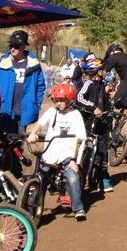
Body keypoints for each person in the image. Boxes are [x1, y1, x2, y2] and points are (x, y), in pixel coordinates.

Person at [28, 82, 88, 221]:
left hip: (67, 154)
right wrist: (33, 133)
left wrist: (74, 160)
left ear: (70, 100)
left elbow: (79, 140)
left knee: (73, 178)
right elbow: (40, 124)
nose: (59, 103)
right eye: (57, 100)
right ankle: (31, 213)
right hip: (50, 154)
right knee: (39, 180)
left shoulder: (75, 115)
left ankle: (78, 208)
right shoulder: (51, 112)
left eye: (62, 100)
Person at [0, 29, 46, 135]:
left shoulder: (34, 65)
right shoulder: (1, 64)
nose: (13, 49)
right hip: (5, 110)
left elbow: (40, 86)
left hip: (24, 110)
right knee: (5, 141)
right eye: (11, 45)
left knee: (19, 142)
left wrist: (35, 104)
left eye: (16, 46)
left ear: (24, 46)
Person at [75, 56, 113, 193]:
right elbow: (79, 98)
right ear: (97, 71)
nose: (105, 72)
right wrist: (92, 108)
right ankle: (77, 177)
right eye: (102, 70)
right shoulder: (88, 84)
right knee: (84, 150)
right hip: (88, 122)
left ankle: (102, 176)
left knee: (103, 150)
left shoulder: (101, 86)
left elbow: (106, 104)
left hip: (101, 123)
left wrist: (110, 114)